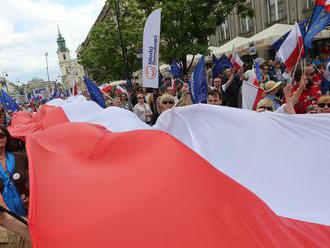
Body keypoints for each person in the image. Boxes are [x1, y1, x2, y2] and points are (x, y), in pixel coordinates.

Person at [0, 125, 31, 246]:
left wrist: (30, 198)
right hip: (4, 221)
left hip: (26, 214)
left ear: (6, 137)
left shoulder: (20, 158)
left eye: (1, 135)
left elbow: (32, 181)